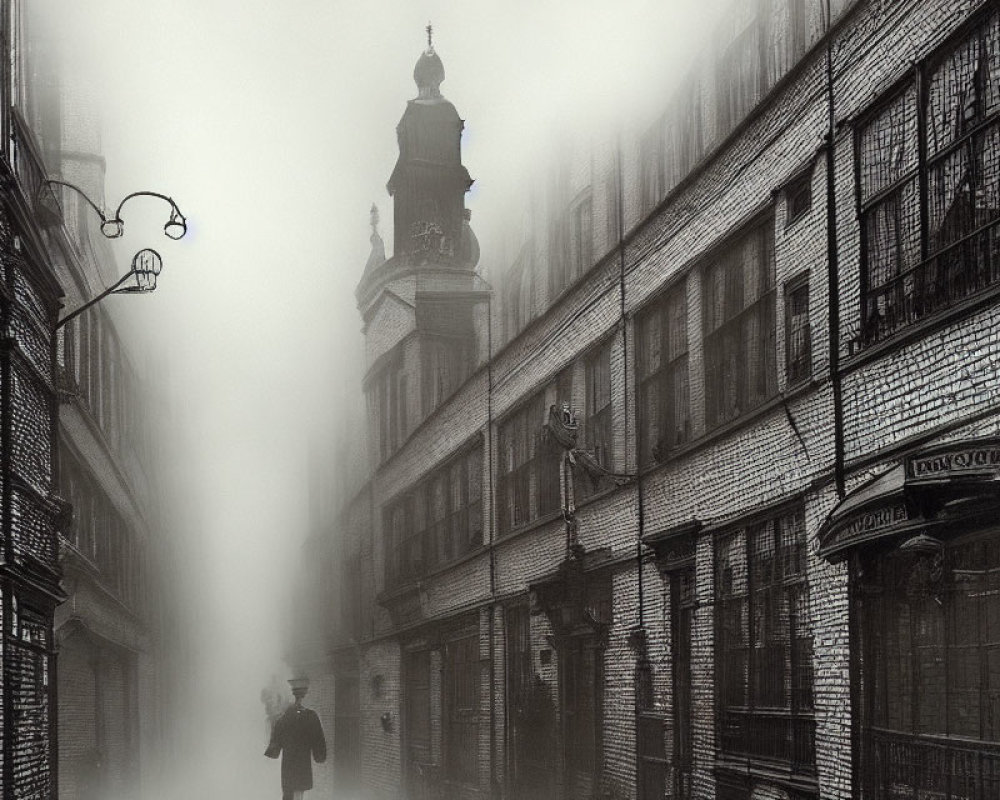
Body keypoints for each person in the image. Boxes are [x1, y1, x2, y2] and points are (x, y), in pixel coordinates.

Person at [264, 677, 327, 800]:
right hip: (302, 763)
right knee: (298, 791)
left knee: (289, 792)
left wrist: (271, 753)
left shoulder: (282, 719)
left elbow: (274, 747)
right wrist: (319, 755)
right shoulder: (311, 716)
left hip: (289, 764)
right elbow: (318, 741)